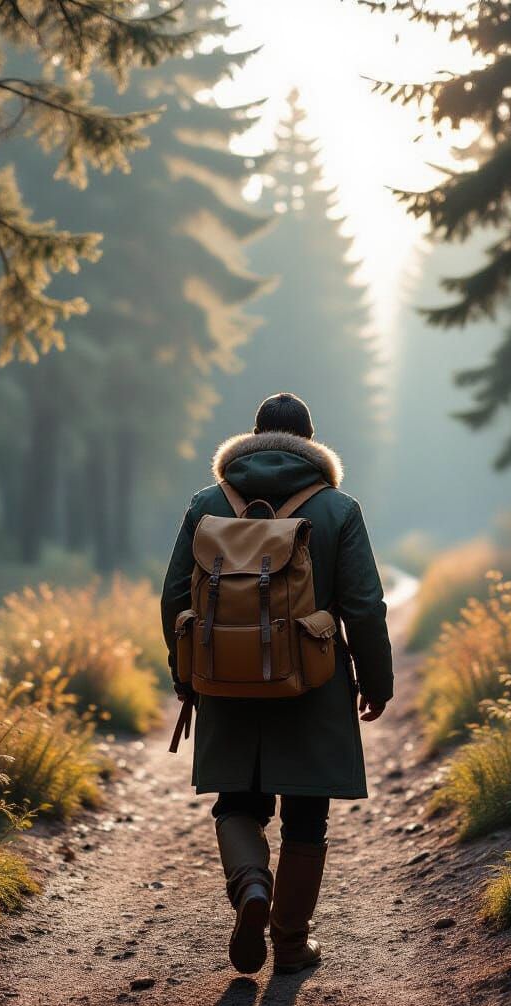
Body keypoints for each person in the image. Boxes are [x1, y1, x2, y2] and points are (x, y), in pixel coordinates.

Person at [161, 392, 394, 975]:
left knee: (236, 802)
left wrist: (187, 673)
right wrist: (376, 680)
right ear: (313, 443)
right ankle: (290, 943)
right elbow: (364, 605)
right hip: (311, 680)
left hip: (223, 675)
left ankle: (251, 890)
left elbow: (174, 597)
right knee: (306, 816)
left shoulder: (209, 502)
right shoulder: (338, 508)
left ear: (255, 435)